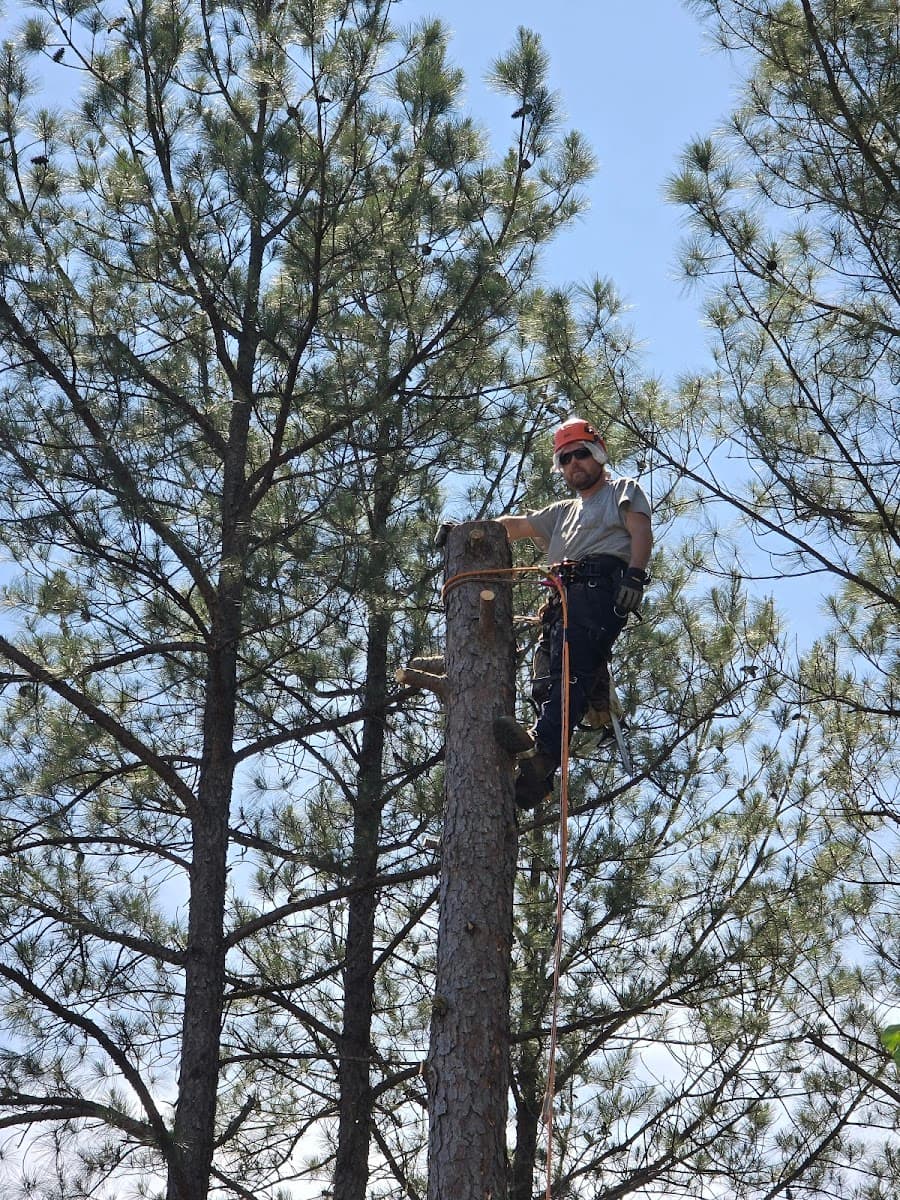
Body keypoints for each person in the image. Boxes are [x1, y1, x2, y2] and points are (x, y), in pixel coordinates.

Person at [497, 417, 653, 808]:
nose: (573, 464)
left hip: (599, 588)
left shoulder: (621, 490)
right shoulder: (561, 512)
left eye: (581, 454)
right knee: (544, 682)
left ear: (598, 453)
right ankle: (539, 773)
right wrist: (471, 530)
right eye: (565, 459)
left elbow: (640, 532)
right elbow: (515, 526)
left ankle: (544, 752)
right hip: (560, 601)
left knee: (570, 673)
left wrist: (635, 575)